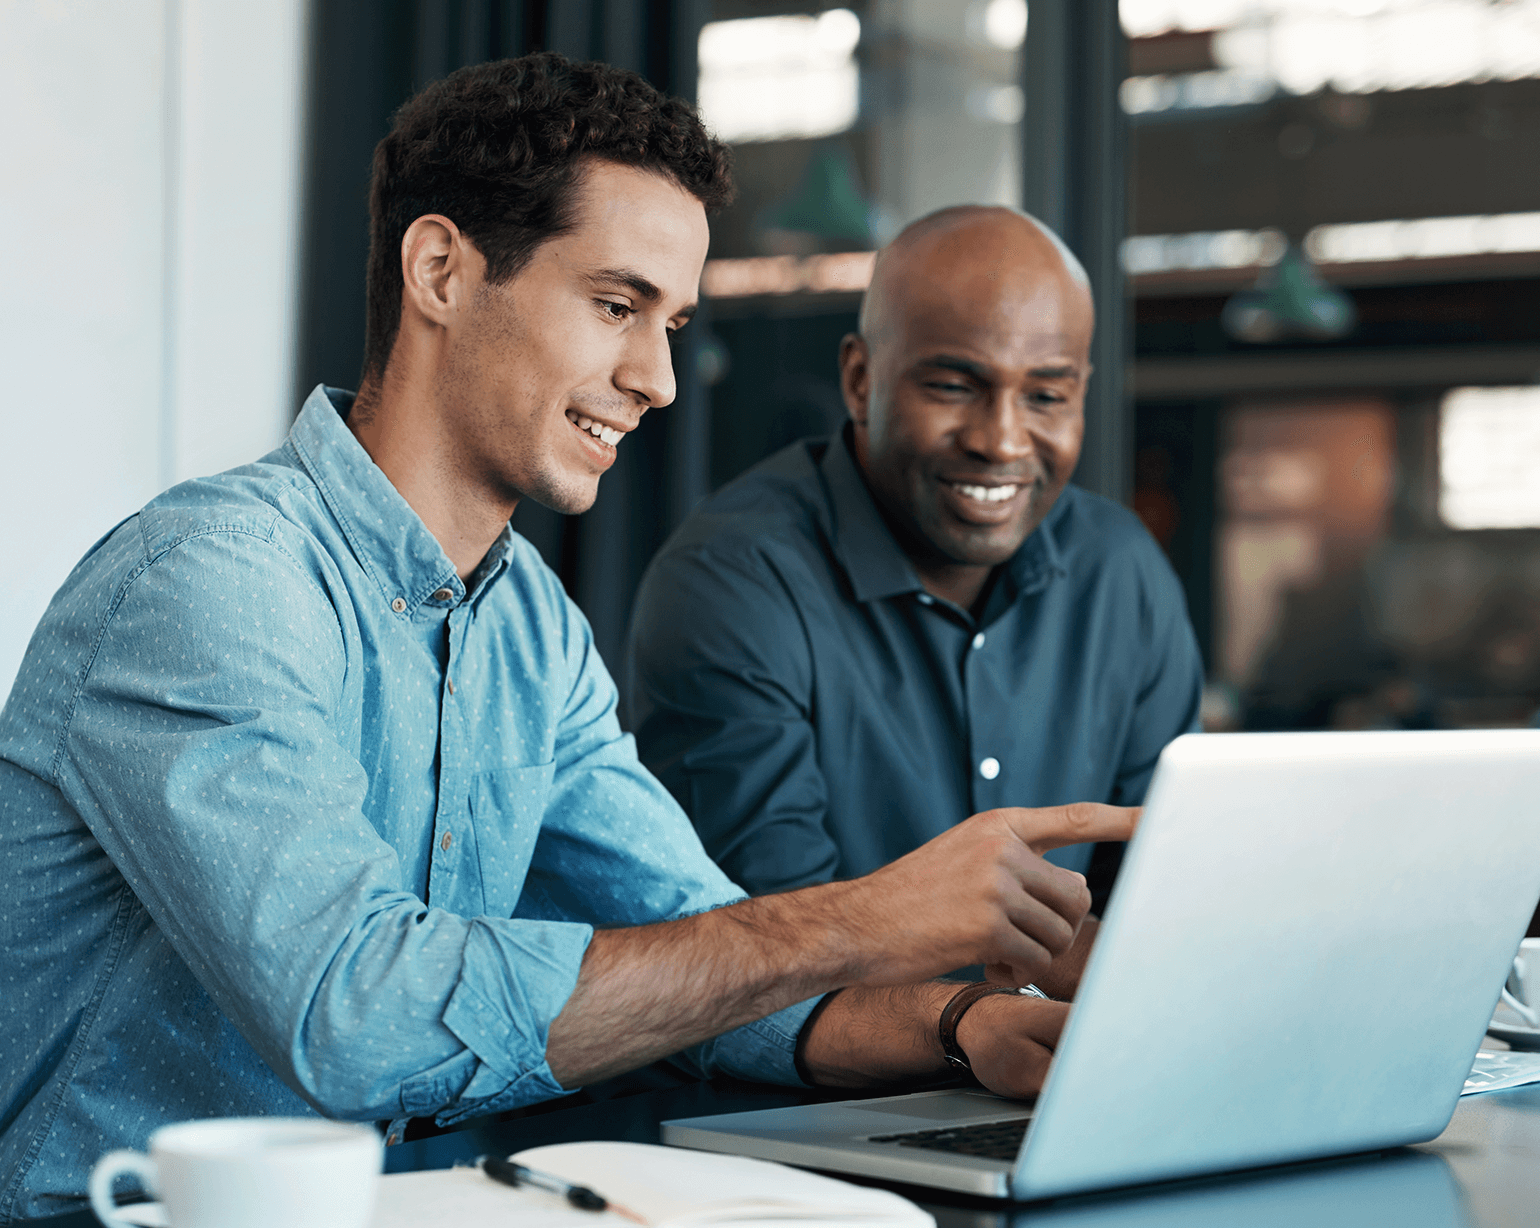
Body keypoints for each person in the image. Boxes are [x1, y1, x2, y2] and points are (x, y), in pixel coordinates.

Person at [0, 57, 1134, 1221]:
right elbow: (357, 1016)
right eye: (615, 306)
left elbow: (702, 957)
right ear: (440, 270)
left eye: (673, 322)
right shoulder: (212, 583)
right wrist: (861, 917)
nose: (656, 379)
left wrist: (964, 1024)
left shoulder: (530, 626)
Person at [627, 206, 1201, 898]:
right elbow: (771, 950)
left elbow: (1159, 891)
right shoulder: (732, 581)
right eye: (955, 387)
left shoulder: (1120, 570)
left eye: (1046, 395)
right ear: (861, 381)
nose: (1003, 441)